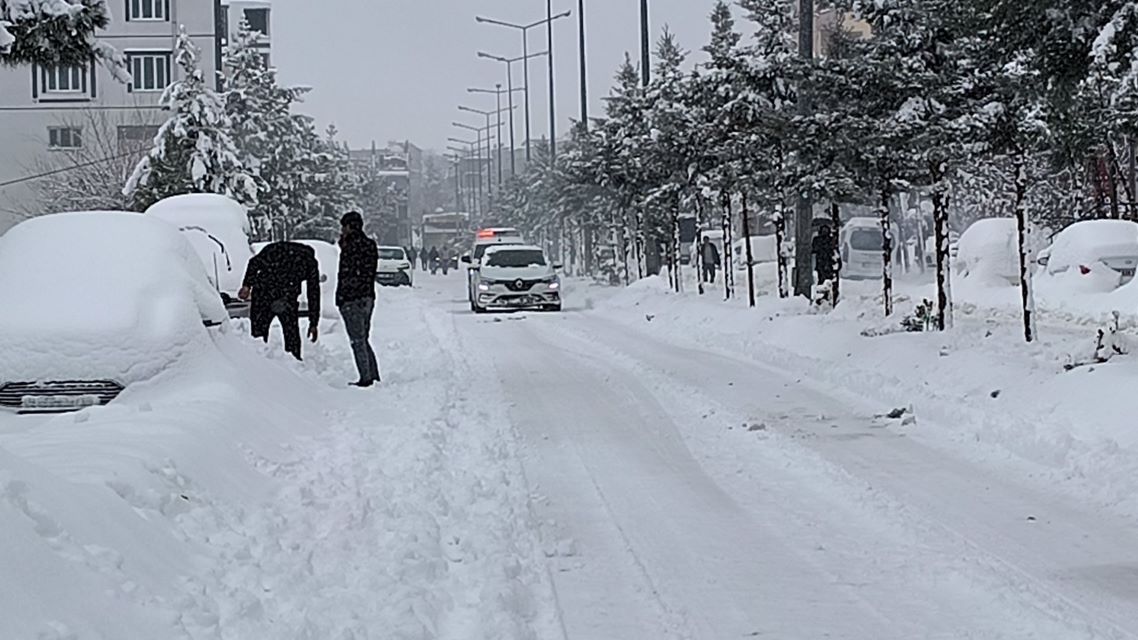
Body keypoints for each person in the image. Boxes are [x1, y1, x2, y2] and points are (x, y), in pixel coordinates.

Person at [239, 241, 321, 361]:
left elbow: (253, 263)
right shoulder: (309, 261)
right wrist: (313, 322)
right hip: (284, 297)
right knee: (291, 335)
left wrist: (247, 285)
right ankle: (294, 361)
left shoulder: (274, 248)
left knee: (258, 336)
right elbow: (313, 292)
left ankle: (257, 361)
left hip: (264, 294)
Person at [337, 212, 381, 387]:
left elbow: (348, 273)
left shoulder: (350, 247)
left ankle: (366, 378)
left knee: (357, 339)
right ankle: (372, 373)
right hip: (368, 296)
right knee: (363, 337)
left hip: (351, 298)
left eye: (344, 226)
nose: (342, 230)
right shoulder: (369, 245)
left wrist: (342, 297)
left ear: (349, 226)